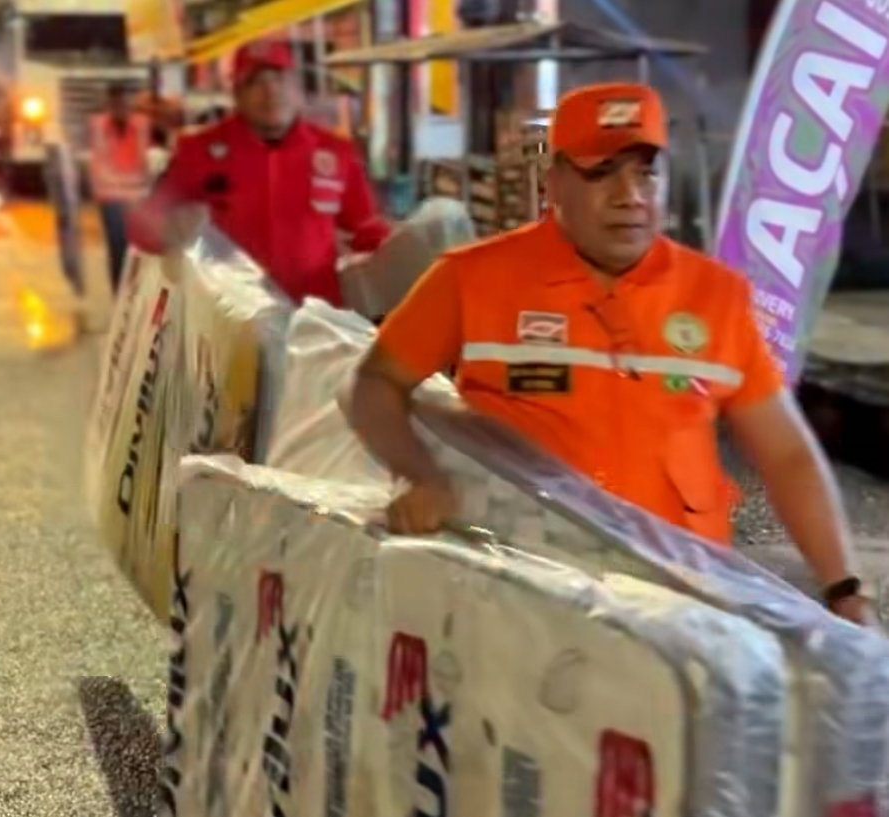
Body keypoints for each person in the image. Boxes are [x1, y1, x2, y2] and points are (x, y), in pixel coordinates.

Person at [347, 82, 872, 625]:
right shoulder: (470, 279)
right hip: (519, 597)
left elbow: (787, 453)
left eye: (646, 172)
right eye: (601, 172)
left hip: (680, 610)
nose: (630, 195)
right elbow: (374, 382)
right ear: (553, 184)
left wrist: (845, 589)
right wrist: (419, 473)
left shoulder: (717, 299)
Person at [126, 39, 391, 307]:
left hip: (313, 322)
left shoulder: (336, 152)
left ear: (296, 87)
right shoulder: (197, 152)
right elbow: (142, 228)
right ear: (237, 93)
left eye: (279, 78)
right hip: (226, 321)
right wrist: (171, 228)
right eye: (255, 82)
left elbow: (367, 231)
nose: (271, 91)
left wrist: (406, 254)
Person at [89, 82, 151, 293]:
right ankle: (120, 296)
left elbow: (145, 163)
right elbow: (102, 168)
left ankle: (134, 296)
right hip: (111, 198)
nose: (122, 109)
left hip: (137, 199)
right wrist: (133, 186)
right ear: (110, 105)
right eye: (117, 105)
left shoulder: (141, 125)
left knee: (138, 252)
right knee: (117, 247)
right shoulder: (99, 126)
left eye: (126, 104)